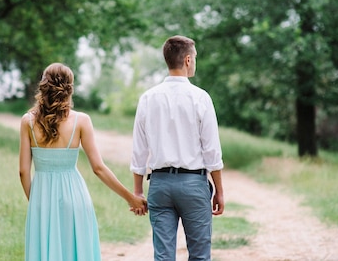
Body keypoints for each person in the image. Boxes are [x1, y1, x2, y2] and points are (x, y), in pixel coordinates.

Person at [19, 62, 147, 261]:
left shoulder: (27, 121)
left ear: (43, 85)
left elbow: (23, 172)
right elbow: (98, 168)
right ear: (69, 88)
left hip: (41, 198)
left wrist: (37, 200)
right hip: (75, 197)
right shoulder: (81, 121)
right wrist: (130, 197)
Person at [131, 35, 224, 261]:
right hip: (193, 185)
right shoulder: (201, 98)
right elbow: (212, 151)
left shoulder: (147, 98)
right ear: (188, 60)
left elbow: (139, 151)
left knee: (163, 256)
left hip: (160, 186)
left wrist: (138, 191)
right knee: (200, 255)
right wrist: (219, 190)